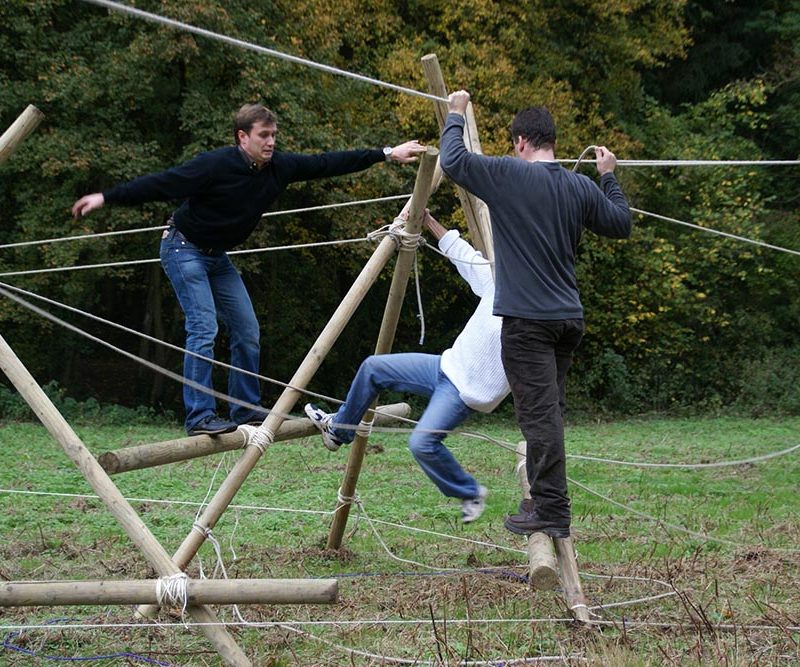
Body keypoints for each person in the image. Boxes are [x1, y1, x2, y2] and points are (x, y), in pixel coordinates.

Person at [72, 103, 425, 436]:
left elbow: (326, 162)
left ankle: (244, 409)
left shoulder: (279, 168)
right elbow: (163, 183)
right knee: (203, 328)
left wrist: (386, 153)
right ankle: (200, 416)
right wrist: (107, 197)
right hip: (183, 248)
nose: (270, 142)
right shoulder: (215, 165)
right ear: (243, 137)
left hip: (217, 256)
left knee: (247, 329)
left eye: (273, 135)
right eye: (263, 135)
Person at [439, 91, 632, 538]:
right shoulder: (580, 186)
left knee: (539, 418)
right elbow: (621, 223)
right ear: (552, 141)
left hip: (528, 323)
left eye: (514, 144)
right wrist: (608, 176)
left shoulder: (510, 174)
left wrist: (455, 112)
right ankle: (544, 500)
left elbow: (453, 160)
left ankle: (551, 511)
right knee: (550, 414)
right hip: (567, 320)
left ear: (521, 142)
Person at [304, 210, 509, 523]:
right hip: (444, 366)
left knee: (421, 443)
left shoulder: (535, 316)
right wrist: (428, 221)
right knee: (373, 368)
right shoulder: (499, 284)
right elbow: (464, 255)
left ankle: (469, 492)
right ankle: (338, 431)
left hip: (464, 392)